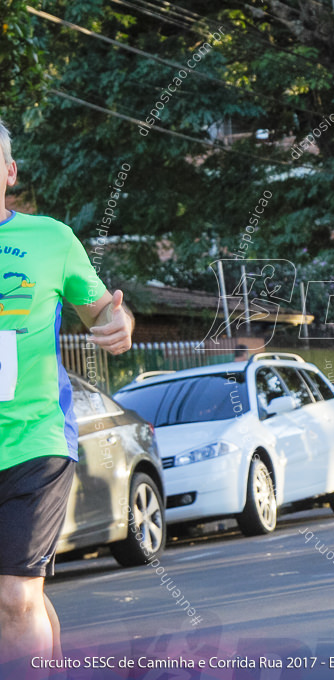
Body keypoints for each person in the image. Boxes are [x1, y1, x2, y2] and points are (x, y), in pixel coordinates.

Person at [0, 119, 134, 673]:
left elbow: (104, 309)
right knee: (18, 594)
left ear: (8, 172)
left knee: (13, 597)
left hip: (36, 439)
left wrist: (119, 322)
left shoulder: (50, 238)